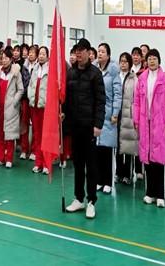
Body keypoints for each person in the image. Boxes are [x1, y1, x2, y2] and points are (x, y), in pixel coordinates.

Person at [63, 38, 106, 219]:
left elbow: (101, 101)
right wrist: (63, 114)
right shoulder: (71, 72)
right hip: (75, 126)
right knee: (78, 165)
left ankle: (91, 201)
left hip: (89, 127)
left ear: (89, 53)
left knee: (91, 166)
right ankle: (79, 198)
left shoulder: (95, 74)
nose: (78, 53)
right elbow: (66, 99)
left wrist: (98, 124)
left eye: (81, 50)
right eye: (76, 50)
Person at [133, 49, 165, 208]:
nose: (151, 61)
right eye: (149, 59)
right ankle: (149, 193)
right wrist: (136, 120)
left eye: (154, 59)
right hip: (146, 123)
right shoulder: (142, 79)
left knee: (159, 159)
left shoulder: (164, 80)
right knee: (148, 158)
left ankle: (160, 195)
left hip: (160, 123)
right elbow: (136, 102)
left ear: (159, 61)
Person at [94, 43, 122, 194]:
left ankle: (108, 182)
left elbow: (117, 94)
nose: (100, 54)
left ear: (108, 55)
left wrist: (115, 113)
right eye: (98, 51)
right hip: (96, 114)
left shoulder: (113, 71)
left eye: (103, 52)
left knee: (107, 150)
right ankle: (99, 180)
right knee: (97, 149)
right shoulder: (94, 69)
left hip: (109, 114)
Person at [0, 47, 24, 168]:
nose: (4, 60)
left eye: (6, 58)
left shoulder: (16, 73)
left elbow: (21, 89)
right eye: (2, 58)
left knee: (9, 134)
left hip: (10, 108)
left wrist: (14, 101)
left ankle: (9, 158)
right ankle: (0, 157)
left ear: (11, 59)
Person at [115, 52, 138, 185]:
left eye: (125, 61)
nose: (122, 64)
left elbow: (136, 99)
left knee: (129, 146)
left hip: (129, 116)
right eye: (121, 61)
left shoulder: (134, 79)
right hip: (118, 116)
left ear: (129, 64)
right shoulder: (116, 76)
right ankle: (118, 173)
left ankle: (128, 174)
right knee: (118, 146)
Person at [28, 46, 49, 174]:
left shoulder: (50, 70)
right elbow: (31, 85)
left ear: (47, 56)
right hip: (34, 106)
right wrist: (30, 97)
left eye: (43, 54)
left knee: (45, 136)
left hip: (45, 107)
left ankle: (46, 164)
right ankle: (38, 163)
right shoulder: (35, 69)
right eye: (39, 54)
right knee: (37, 134)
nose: (41, 56)